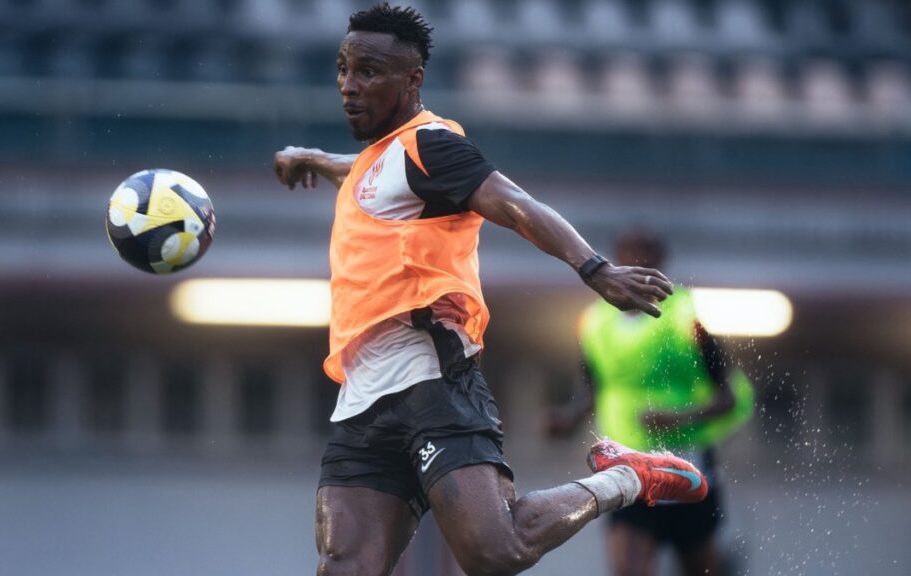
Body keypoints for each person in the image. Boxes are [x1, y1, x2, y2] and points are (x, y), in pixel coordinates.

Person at [271, 4, 709, 575]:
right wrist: (316, 158)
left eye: (370, 71)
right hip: (362, 397)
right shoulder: (384, 158)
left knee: (494, 552)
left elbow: (518, 205)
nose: (350, 86)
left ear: (412, 80)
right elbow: (368, 173)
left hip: (430, 376)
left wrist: (596, 269)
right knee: (344, 567)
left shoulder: (432, 146)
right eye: (343, 69)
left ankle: (629, 476)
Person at [547, 228, 754, 576]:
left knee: (700, 568)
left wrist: (678, 418)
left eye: (645, 258)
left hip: (686, 469)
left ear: (661, 263)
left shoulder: (686, 318)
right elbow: (595, 388)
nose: (635, 266)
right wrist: (568, 418)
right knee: (626, 568)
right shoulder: (596, 323)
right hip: (629, 467)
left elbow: (729, 398)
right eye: (626, 257)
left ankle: (722, 564)